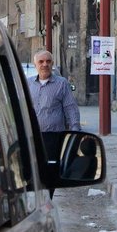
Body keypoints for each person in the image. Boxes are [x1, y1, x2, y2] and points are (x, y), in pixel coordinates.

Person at [27, 50, 81, 197]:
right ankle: (35, 199)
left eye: (48, 61)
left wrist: (75, 131)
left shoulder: (61, 83)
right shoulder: (28, 83)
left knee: (51, 170)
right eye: (41, 62)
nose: (45, 64)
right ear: (35, 64)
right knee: (33, 169)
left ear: (52, 63)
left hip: (54, 137)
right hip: (32, 136)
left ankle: (47, 199)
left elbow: (70, 107)